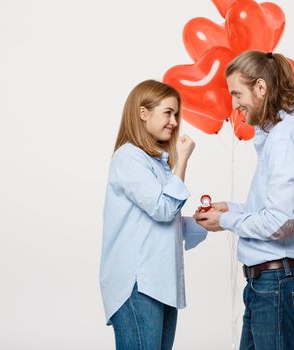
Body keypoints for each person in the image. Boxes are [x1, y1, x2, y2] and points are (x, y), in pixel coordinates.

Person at [194, 50, 294, 350]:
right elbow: (276, 211)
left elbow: (281, 222)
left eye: (237, 93)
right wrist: (230, 209)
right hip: (271, 283)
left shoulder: (286, 137)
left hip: (279, 282)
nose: (234, 104)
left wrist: (226, 221)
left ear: (260, 87)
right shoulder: (277, 136)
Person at [100, 79, 207, 350]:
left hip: (160, 283)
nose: (174, 121)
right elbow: (163, 210)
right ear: (143, 113)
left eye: (176, 114)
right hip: (138, 285)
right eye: (168, 112)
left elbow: (162, 221)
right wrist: (182, 159)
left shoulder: (156, 162)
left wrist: (204, 222)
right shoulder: (128, 158)